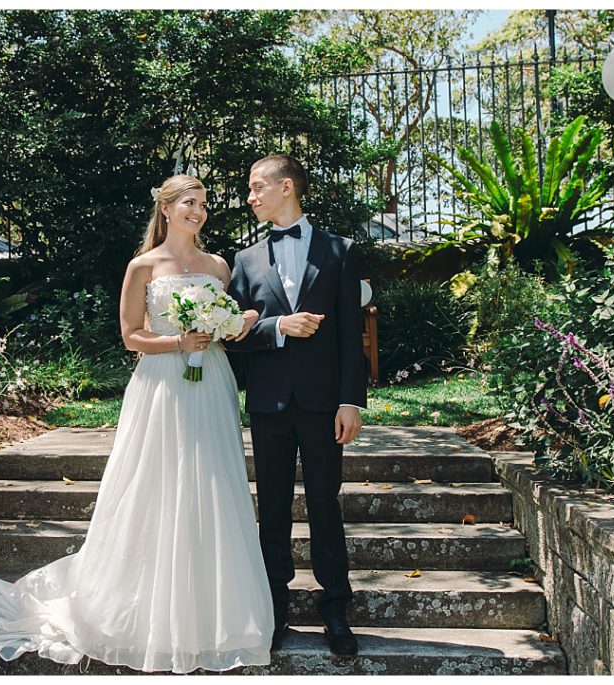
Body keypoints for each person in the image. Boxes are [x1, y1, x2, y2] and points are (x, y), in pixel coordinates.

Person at [0, 174, 273, 673]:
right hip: (162, 385)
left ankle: (209, 615)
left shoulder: (218, 265)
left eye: (204, 204)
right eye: (190, 203)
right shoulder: (143, 266)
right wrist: (178, 343)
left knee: (212, 486)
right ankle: (142, 612)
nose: (199, 212)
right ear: (167, 209)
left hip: (211, 382)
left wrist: (236, 324)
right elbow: (131, 336)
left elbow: (227, 326)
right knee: (156, 485)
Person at [226, 155, 366, 657]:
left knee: (326, 504)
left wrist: (351, 401)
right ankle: (274, 605)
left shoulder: (340, 250)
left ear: (287, 187)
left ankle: (335, 606)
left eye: (256, 187)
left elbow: (351, 334)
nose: (250, 197)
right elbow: (231, 336)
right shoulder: (244, 261)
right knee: (275, 509)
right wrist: (276, 328)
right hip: (269, 404)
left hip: (325, 403)